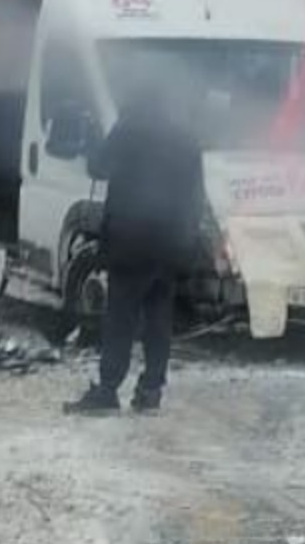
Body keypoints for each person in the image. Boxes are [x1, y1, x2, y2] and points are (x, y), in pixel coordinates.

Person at [63, 77, 204, 416]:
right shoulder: (186, 137)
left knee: (121, 317)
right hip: (170, 242)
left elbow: (98, 166)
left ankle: (108, 389)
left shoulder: (129, 128)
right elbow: (196, 194)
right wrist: (187, 238)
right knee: (159, 317)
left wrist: (95, 139)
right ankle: (151, 389)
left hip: (132, 239)